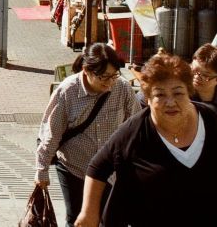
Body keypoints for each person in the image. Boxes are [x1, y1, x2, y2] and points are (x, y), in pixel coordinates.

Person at [74, 52, 217, 227]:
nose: (170, 102)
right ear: (148, 98)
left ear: (189, 92)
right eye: (160, 95)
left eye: (178, 93)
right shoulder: (135, 130)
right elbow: (98, 167)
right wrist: (88, 212)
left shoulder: (209, 117)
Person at [35, 43, 141, 227]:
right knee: (77, 219)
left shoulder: (122, 89)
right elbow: (51, 134)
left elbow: (136, 127)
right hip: (74, 168)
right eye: (103, 77)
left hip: (110, 171)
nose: (109, 83)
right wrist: (41, 170)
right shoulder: (68, 91)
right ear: (86, 70)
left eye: (114, 76)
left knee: (109, 219)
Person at [135, 43, 217, 128]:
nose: (196, 77)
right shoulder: (176, 84)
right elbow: (140, 99)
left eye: (205, 75)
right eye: (194, 70)